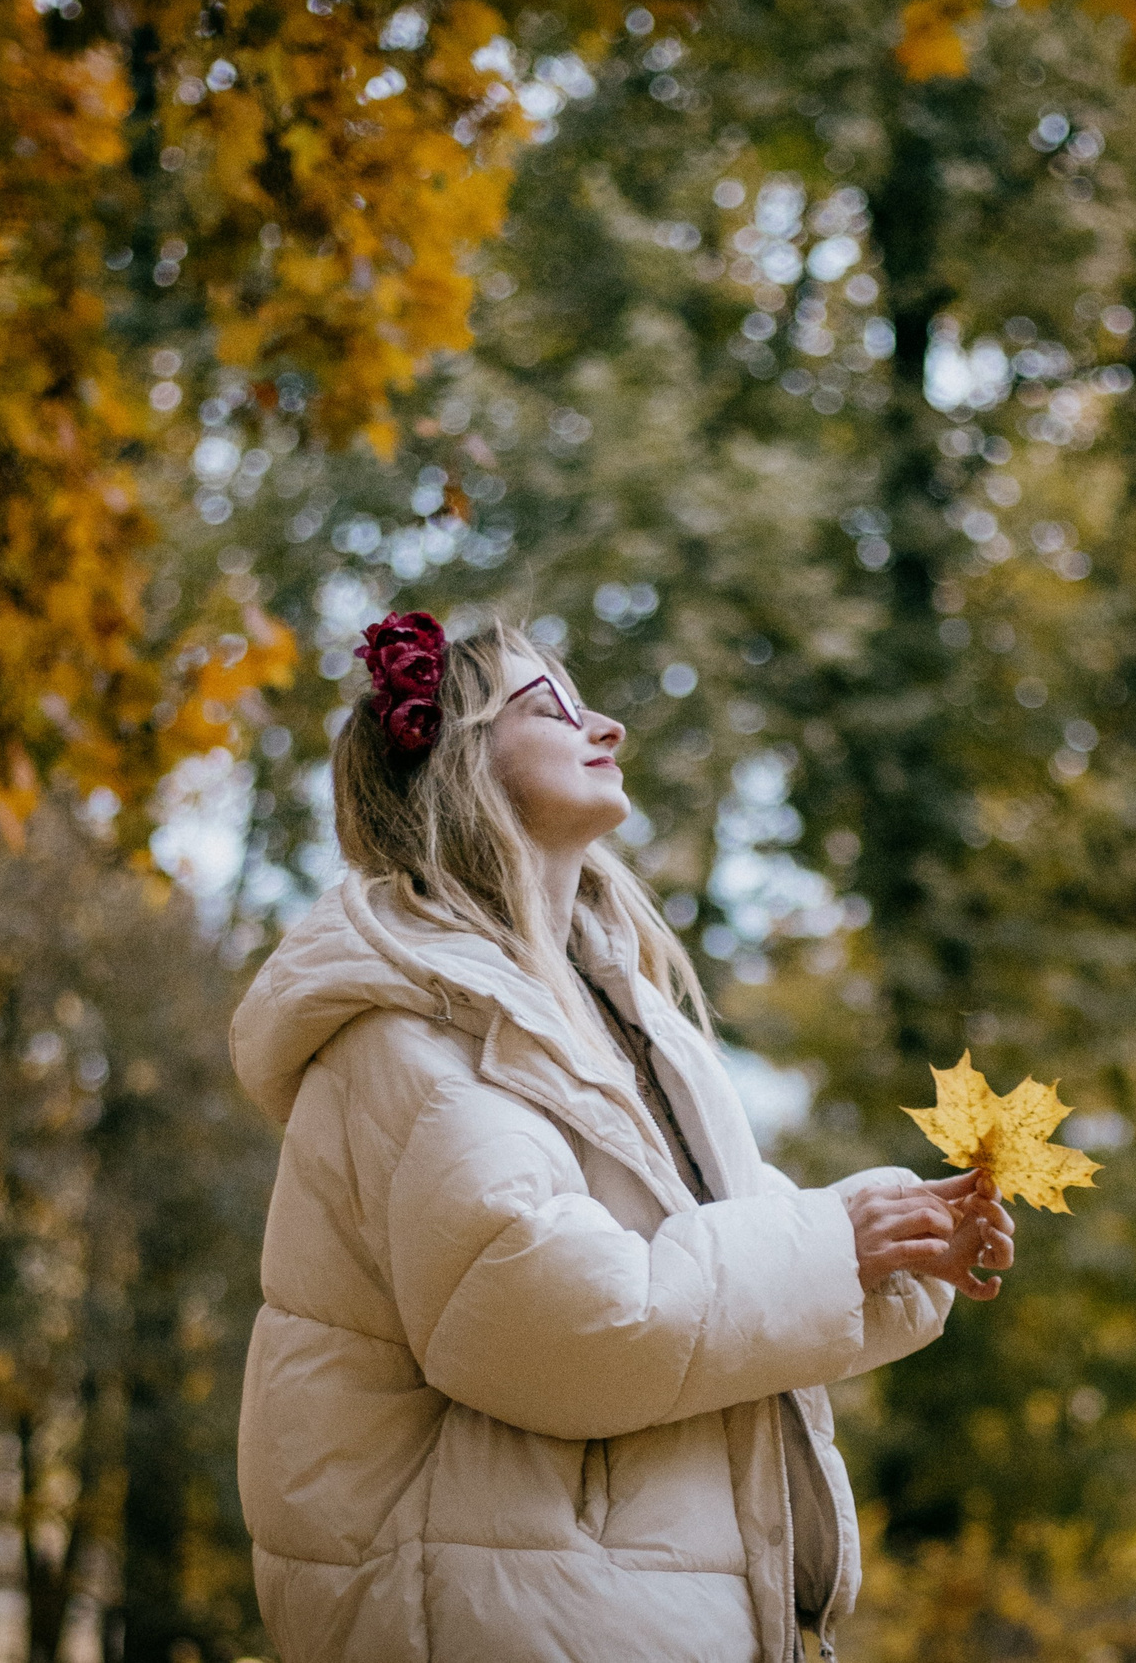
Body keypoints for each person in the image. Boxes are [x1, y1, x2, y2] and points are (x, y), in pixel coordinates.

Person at [231, 611, 1013, 1663]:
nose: (606, 726)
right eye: (549, 706)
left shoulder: (626, 1018)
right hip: (509, 1623)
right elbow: (549, 1315)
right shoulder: (406, 1031)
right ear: (460, 762)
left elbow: (719, 1278)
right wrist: (838, 1242)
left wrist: (897, 1249)